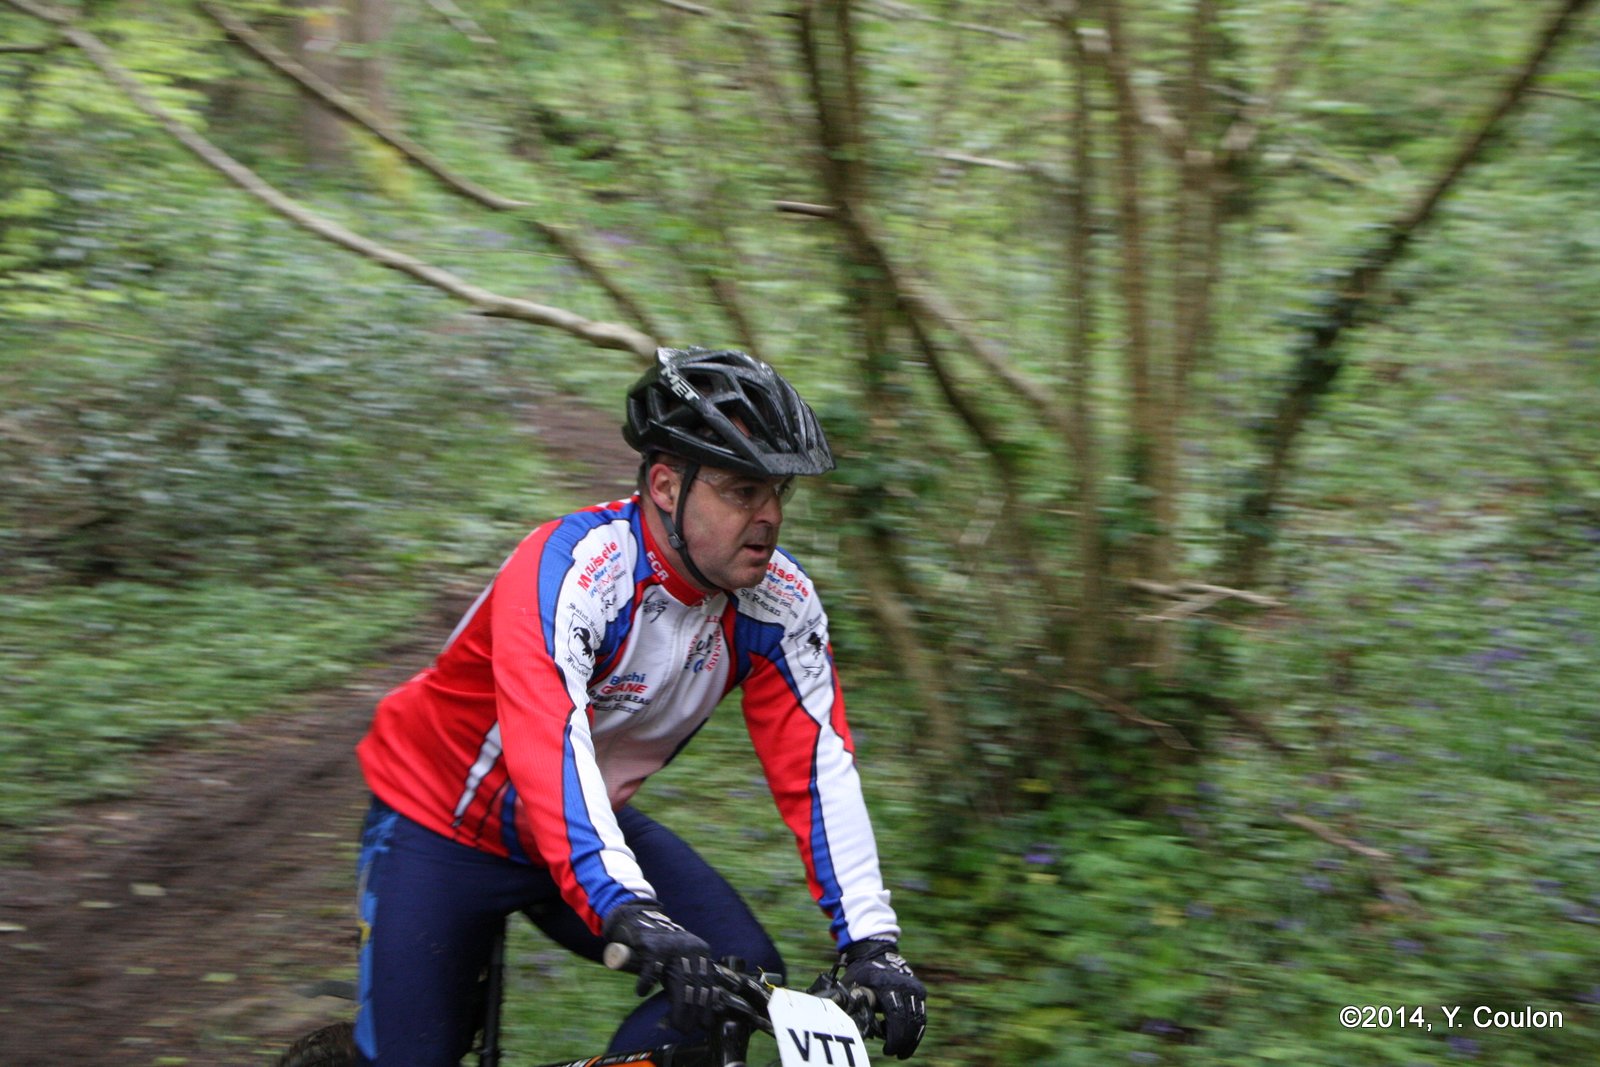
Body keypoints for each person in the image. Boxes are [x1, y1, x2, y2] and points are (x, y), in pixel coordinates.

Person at [351, 347, 928, 1065]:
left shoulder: (778, 604)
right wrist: (625, 901)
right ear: (664, 485)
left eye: (779, 491)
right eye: (743, 490)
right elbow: (548, 739)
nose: (771, 516)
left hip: (583, 821)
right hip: (439, 822)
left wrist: (872, 942)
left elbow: (818, 770)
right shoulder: (575, 570)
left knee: (734, 982)